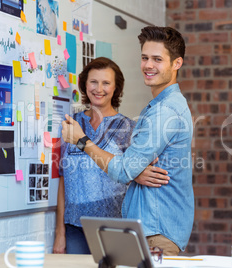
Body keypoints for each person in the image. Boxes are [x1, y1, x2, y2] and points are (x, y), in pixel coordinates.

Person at [61, 26, 194, 256]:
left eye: (157, 59)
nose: (148, 65)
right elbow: (130, 167)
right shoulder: (158, 108)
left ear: (177, 63)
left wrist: (82, 141)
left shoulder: (165, 111)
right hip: (143, 230)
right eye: (145, 58)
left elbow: (123, 170)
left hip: (157, 233)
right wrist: (134, 171)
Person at [53, 57, 169, 254]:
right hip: (74, 229)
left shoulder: (129, 129)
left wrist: (135, 174)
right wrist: (60, 233)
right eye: (93, 82)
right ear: (84, 84)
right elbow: (63, 182)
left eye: (106, 83)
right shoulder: (71, 125)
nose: (99, 89)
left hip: (115, 229)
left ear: (116, 88)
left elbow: (140, 174)